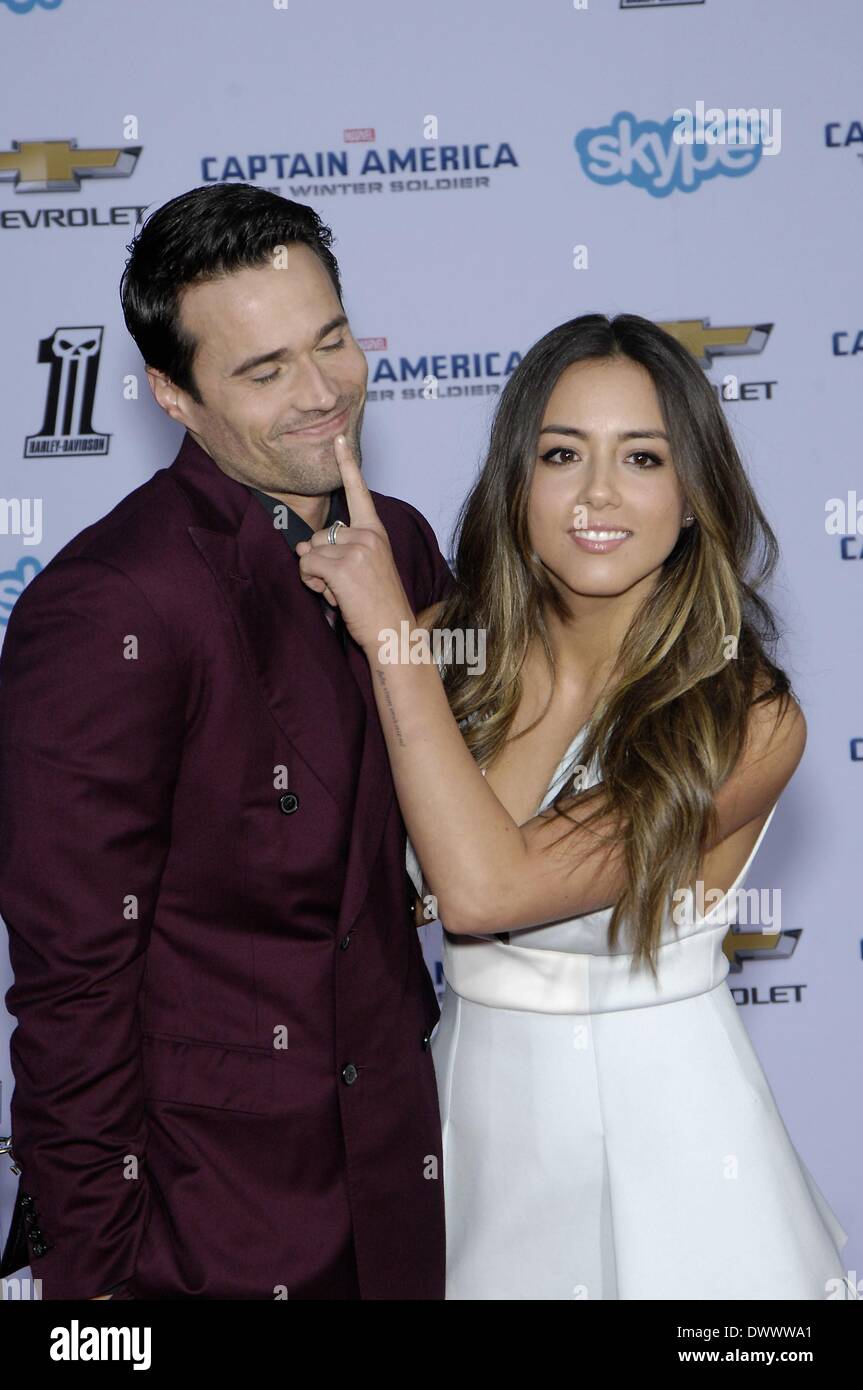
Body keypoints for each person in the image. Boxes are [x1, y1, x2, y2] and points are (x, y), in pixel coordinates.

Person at [294, 312, 850, 1300]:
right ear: (518, 481)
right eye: (561, 454)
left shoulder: (743, 716)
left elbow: (481, 891)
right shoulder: (447, 659)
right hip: (468, 1132)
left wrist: (385, 635)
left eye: (641, 456)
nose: (597, 493)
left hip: (671, 1156)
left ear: (691, 498)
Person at [0, 183, 454, 1300]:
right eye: (262, 371)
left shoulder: (399, 540)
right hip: (204, 1226)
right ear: (171, 393)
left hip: (400, 1187)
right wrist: (94, 1292)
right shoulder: (111, 602)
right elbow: (73, 988)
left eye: (331, 340)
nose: (321, 395)